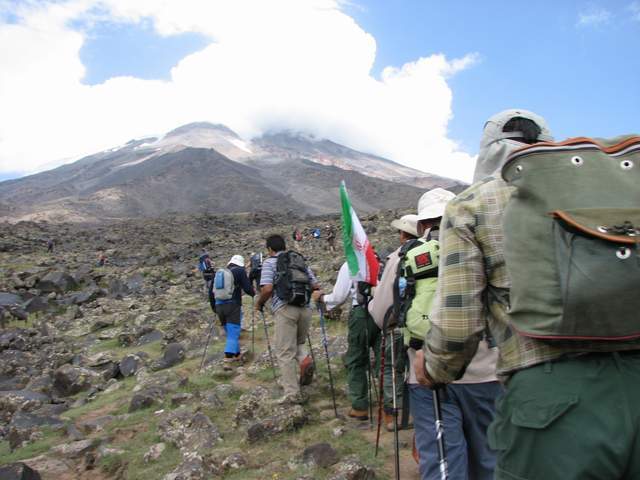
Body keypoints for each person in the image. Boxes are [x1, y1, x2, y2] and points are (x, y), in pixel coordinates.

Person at [415, 110, 554, 480]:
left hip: (536, 389)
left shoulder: (472, 206)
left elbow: (459, 326)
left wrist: (432, 370)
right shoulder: (597, 193)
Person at [368, 213, 420, 430]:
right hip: (423, 322)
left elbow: (385, 297)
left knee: (392, 366)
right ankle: (421, 410)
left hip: (398, 323)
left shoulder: (397, 257)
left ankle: (395, 413)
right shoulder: (434, 251)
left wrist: (379, 317)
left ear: (402, 234)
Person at [312, 258, 381, 421]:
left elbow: (339, 296)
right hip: (383, 311)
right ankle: (390, 407)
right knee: (383, 358)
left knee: (356, 359)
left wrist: (322, 298)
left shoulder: (351, 264)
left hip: (362, 314)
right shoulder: (378, 260)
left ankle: (360, 406)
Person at [255, 234, 318, 402]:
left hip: (285, 308)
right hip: (305, 309)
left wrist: (259, 303)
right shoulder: (298, 260)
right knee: (298, 343)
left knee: (284, 352)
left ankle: (292, 394)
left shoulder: (269, 263)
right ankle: (305, 360)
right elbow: (315, 285)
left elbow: (267, 289)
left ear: (269, 249)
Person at [214, 254, 255, 367]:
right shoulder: (240, 271)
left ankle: (237, 354)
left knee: (230, 332)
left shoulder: (221, 272)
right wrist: (253, 293)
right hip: (233, 305)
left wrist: (214, 308)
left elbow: (210, 292)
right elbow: (247, 288)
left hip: (219, 306)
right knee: (234, 332)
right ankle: (228, 359)